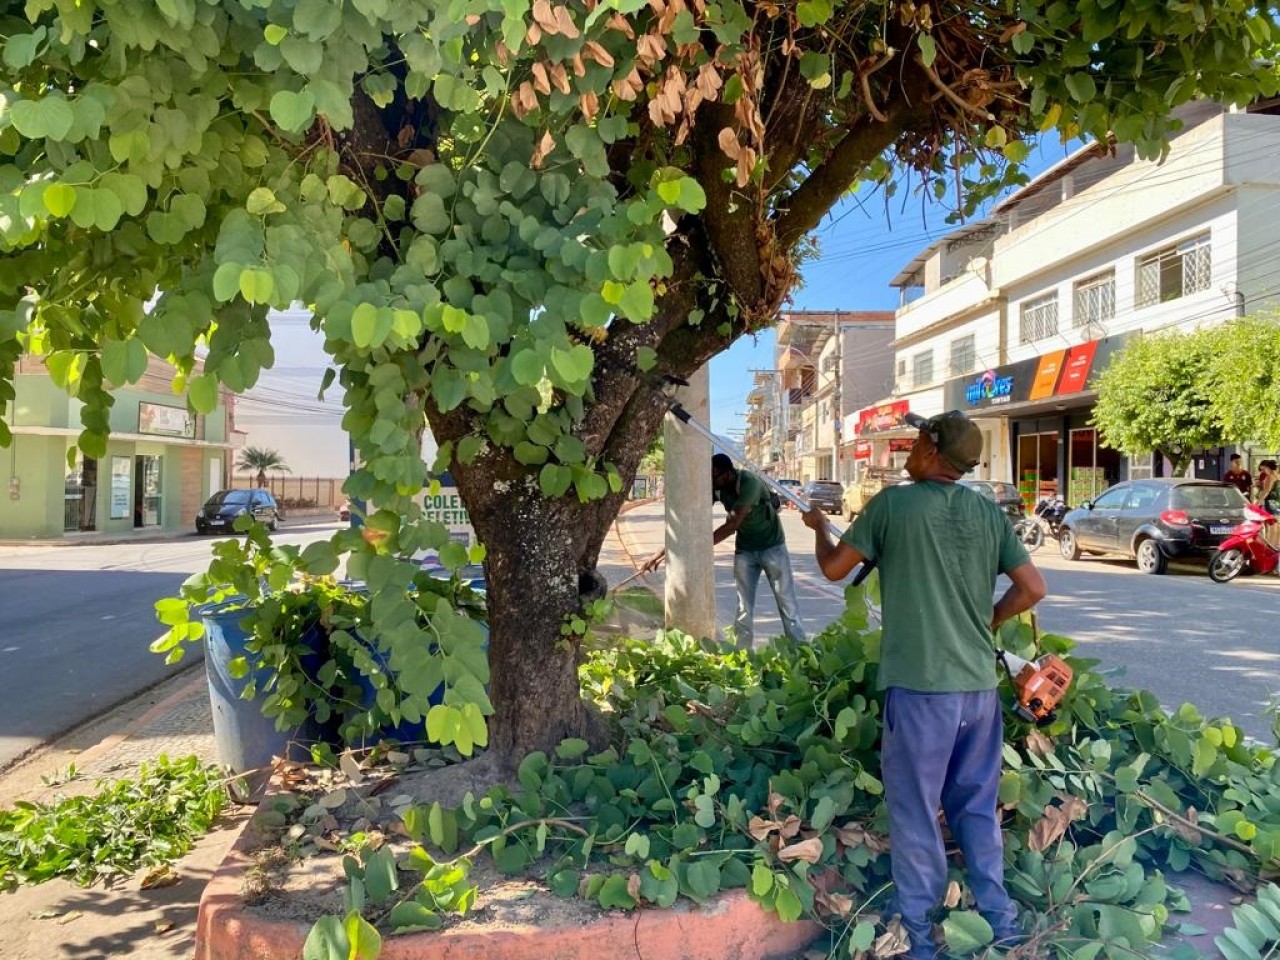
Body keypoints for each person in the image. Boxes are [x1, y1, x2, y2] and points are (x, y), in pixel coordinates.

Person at [802, 410, 1047, 960]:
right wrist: (988, 621)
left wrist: (818, 528)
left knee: (916, 814)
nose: (907, 452)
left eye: (914, 443)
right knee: (976, 809)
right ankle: (1002, 922)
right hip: (978, 693)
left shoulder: (892, 506)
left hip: (921, 693)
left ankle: (917, 935)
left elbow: (836, 569)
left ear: (933, 452)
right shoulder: (988, 513)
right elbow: (1033, 587)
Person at [643, 453, 805, 648]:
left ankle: (800, 650)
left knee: (787, 603)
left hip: (773, 548)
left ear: (728, 474)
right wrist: (663, 552)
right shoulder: (717, 488)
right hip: (745, 550)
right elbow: (690, 523)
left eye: (714, 477)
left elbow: (732, 525)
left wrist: (698, 548)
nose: (711, 483)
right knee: (744, 606)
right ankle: (742, 652)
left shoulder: (750, 483)